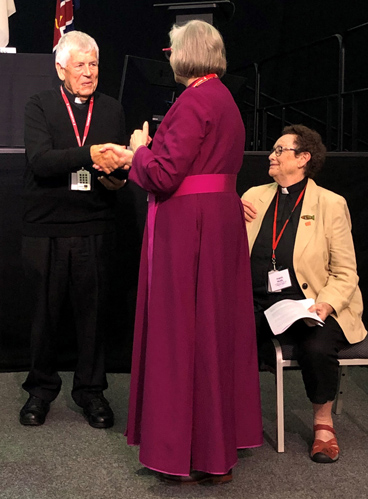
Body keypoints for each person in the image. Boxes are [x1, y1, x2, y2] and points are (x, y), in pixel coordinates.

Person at [101, 19, 263, 484]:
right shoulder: (224, 99)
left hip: (188, 229)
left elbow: (166, 174)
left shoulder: (194, 101)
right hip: (214, 224)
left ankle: (186, 452)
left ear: (187, 52)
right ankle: (214, 449)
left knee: (181, 333)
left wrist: (138, 151)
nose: (168, 56)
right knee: (211, 330)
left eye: (171, 49)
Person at [20, 30, 127, 429]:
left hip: (95, 226)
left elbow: (118, 170)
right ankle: (40, 390)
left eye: (94, 64)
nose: (88, 72)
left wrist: (119, 176)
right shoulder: (40, 105)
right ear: (60, 67)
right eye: (80, 64)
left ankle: (91, 392)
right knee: (44, 316)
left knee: (93, 315)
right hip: (45, 228)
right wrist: (89, 153)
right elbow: (41, 161)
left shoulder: (112, 109)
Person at [241, 124, 367, 463]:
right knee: (226, 331)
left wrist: (325, 304)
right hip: (259, 301)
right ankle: (230, 420)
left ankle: (323, 425)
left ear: (303, 158)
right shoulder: (252, 197)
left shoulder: (330, 203)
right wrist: (231, 215)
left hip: (314, 305)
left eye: (281, 150)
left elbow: (345, 272)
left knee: (316, 346)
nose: (272, 155)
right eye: (274, 149)